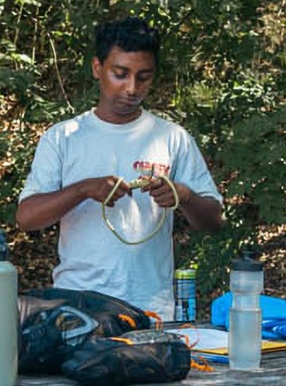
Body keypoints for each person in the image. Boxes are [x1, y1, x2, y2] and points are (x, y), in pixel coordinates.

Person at [15, 16, 224, 319]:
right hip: (79, 308)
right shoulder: (63, 137)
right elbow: (27, 217)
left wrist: (184, 196)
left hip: (153, 311)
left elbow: (214, 222)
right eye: (120, 74)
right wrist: (83, 190)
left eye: (144, 77)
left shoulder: (171, 137)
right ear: (97, 68)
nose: (132, 88)